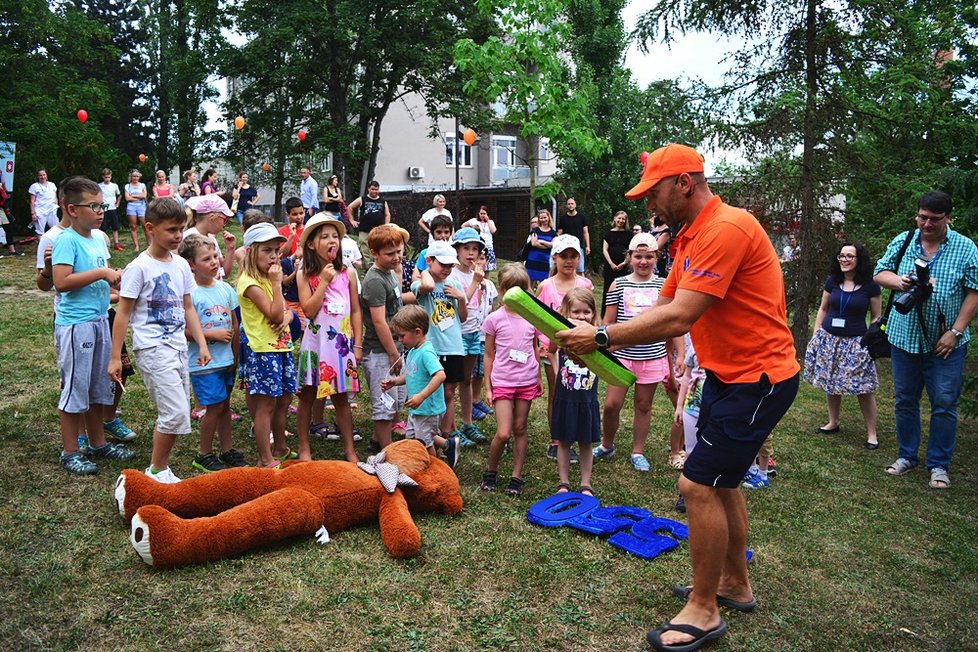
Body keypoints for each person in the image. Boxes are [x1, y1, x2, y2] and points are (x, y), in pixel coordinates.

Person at [557, 144, 799, 651]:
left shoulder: (725, 229)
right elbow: (663, 303)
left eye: (655, 192)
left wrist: (599, 340)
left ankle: (705, 609)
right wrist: (599, 338)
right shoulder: (688, 236)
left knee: (697, 485)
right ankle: (733, 583)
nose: (650, 204)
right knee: (723, 480)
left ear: (684, 183)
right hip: (726, 375)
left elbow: (681, 315)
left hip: (758, 378)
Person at [874, 190, 978, 489]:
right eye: (922, 217)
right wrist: (901, 281)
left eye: (934, 219)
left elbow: (974, 291)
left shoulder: (965, 247)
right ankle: (907, 455)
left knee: (944, 403)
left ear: (948, 218)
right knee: (905, 400)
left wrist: (955, 331)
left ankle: (939, 465)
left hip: (946, 343)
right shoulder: (905, 239)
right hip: (904, 337)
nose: (927, 224)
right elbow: (880, 272)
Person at [110, 197, 212, 483]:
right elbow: (123, 313)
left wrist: (201, 343)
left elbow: (188, 307)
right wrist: (115, 356)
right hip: (152, 349)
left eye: (181, 229)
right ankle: (155, 471)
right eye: (171, 230)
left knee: (178, 414)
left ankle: (161, 468)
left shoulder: (180, 265)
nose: (178, 236)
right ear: (150, 228)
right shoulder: (138, 267)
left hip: (178, 347)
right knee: (175, 412)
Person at [50, 177, 136, 474]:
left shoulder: (98, 238)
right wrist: (102, 272)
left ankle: (98, 445)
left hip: (101, 320)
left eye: (103, 205)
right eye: (94, 205)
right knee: (76, 389)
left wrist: (116, 282)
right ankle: (71, 451)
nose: (101, 211)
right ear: (72, 209)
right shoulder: (65, 240)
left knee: (100, 387)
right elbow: (61, 283)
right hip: (77, 326)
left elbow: (100, 282)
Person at [593, 232, 681, 472]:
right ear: (630, 257)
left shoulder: (664, 285)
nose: (643, 262)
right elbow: (609, 322)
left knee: (644, 405)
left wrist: (678, 354)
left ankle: (638, 450)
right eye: (638, 256)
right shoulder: (618, 284)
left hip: (651, 356)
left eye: (649, 257)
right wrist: (605, 346)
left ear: (657, 257)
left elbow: (671, 324)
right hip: (622, 356)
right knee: (612, 404)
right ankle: (607, 444)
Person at [295, 213, 362, 463]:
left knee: (341, 398)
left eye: (335, 236)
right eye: (324, 237)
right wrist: (323, 282)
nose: (332, 240)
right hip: (315, 345)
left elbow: (355, 310)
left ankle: (350, 450)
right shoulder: (305, 274)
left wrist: (357, 344)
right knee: (307, 396)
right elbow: (309, 311)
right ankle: (304, 447)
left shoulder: (349, 273)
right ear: (311, 244)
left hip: (341, 346)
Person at [803, 242, 882, 449]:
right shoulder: (832, 281)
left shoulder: (870, 285)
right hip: (830, 340)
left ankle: (872, 434)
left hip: (856, 342)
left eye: (849, 256)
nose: (844, 260)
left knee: (863, 387)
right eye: (841, 256)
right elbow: (823, 308)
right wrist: (816, 334)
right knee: (831, 381)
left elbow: (876, 317)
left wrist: (870, 340)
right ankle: (833, 422)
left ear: (859, 260)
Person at [178, 234, 246, 472]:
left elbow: (235, 325)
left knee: (225, 406)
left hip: (226, 360)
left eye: (215, 256)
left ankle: (227, 449)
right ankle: (204, 453)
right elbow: (182, 330)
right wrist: (210, 335)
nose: (215, 262)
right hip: (203, 362)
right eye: (206, 259)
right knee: (213, 408)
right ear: (191, 265)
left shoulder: (226, 289)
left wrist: (236, 358)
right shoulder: (190, 295)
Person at [480, 264, 542, 495]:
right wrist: (488, 387)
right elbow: (488, 355)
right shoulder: (494, 319)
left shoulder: (532, 318)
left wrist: (538, 377)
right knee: (504, 432)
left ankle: (516, 476)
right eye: (509, 290)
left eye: (520, 290)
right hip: (503, 382)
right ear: (501, 290)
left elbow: (535, 349)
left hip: (526, 381)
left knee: (520, 427)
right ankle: (491, 471)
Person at [236, 223, 295, 468]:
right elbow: (275, 314)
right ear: (251, 252)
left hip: (281, 347)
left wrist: (290, 316)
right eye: (267, 250)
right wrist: (277, 283)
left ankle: (280, 446)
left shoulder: (267, 278)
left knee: (283, 400)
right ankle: (265, 457)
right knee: (266, 405)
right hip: (263, 350)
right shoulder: (249, 283)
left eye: (277, 251)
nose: (274, 256)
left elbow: (286, 311)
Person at [381, 305, 460, 467]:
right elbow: (412, 375)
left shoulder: (426, 352)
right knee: (413, 438)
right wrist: (394, 382)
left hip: (427, 407)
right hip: (417, 407)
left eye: (402, 336)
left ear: (417, 332)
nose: (400, 340)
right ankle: (448, 445)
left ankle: (436, 471)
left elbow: (440, 375)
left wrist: (421, 396)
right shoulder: (413, 350)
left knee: (423, 442)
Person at [536, 234, 592, 461]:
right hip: (554, 350)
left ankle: (578, 437)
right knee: (557, 392)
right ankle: (556, 438)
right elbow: (538, 317)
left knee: (581, 393)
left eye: (573, 256)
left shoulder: (585, 284)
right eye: (563, 256)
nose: (568, 261)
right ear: (554, 258)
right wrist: (542, 342)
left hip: (582, 350)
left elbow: (592, 315)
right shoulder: (546, 286)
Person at [411, 241, 469, 447]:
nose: (447, 269)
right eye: (443, 264)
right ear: (429, 260)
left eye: (451, 265)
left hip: (453, 346)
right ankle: (430, 433)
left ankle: (445, 435)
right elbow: (426, 286)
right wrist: (425, 269)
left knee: (449, 392)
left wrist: (461, 298)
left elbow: (462, 317)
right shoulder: (420, 283)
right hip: (432, 347)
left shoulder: (454, 284)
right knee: (430, 390)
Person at [360, 224, 409, 451]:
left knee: (396, 399)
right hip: (380, 351)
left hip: (395, 348)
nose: (397, 257)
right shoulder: (375, 280)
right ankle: (387, 453)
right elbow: (379, 321)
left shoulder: (389, 273)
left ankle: (377, 440)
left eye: (399, 251)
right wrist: (392, 353)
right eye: (390, 254)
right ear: (374, 253)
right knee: (383, 405)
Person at [550, 288, 600, 497]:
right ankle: (564, 482)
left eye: (586, 312)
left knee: (586, 443)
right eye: (575, 312)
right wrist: (556, 371)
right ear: (566, 313)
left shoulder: (597, 338)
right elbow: (550, 351)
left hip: (587, 400)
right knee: (564, 441)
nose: (581, 317)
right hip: (565, 399)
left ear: (593, 314)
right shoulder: (564, 338)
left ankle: (585, 483)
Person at [447, 227, 488, 446]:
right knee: (452, 383)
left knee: (468, 379)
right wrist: (475, 284)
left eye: (475, 249)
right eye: (466, 248)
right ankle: (451, 428)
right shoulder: (451, 274)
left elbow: (478, 306)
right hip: (457, 334)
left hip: (473, 332)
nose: (471, 253)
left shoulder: (476, 274)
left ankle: (468, 422)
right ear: (456, 250)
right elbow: (461, 307)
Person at [469, 248, 498, 421]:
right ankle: (470, 402)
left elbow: (491, 308)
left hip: (485, 335)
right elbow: (474, 304)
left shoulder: (490, 285)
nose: (479, 262)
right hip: (473, 332)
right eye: (476, 259)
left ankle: (476, 399)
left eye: (482, 259)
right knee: (472, 372)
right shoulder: (470, 283)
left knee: (481, 370)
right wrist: (477, 285)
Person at [183, 194, 237, 279]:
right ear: (212, 217)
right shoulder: (188, 238)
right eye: (225, 219)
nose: (224, 224)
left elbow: (224, 273)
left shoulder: (211, 239)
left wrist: (230, 249)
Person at [347, 179, 391, 267]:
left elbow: (387, 214)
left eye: (376, 189)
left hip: (379, 229)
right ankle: (368, 266)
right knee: (364, 246)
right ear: (368, 189)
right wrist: (352, 220)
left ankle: (377, 264)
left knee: (378, 246)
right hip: (364, 229)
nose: (374, 191)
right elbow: (350, 207)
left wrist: (387, 225)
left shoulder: (382, 201)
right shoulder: (362, 199)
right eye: (372, 189)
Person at [602, 210, 632, 312]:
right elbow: (605, 250)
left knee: (623, 288)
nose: (621, 220)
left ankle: (622, 310)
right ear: (615, 219)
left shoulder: (628, 234)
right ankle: (607, 312)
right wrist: (611, 263)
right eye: (619, 218)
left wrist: (624, 263)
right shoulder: (608, 234)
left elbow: (630, 250)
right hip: (610, 266)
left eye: (623, 219)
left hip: (623, 266)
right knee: (609, 288)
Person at [413, 215, 454, 280]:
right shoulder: (425, 253)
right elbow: (416, 277)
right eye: (439, 232)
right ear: (432, 233)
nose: (443, 235)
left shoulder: (453, 253)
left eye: (446, 232)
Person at [557, 197, 590, 273]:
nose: (570, 205)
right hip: (565, 247)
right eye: (569, 204)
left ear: (575, 205)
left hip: (579, 247)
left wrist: (588, 246)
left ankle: (582, 285)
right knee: (567, 269)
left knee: (580, 270)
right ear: (567, 206)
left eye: (572, 204)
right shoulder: (563, 218)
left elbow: (585, 232)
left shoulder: (581, 217)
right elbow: (560, 233)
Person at [525, 208, 556, 283]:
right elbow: (533, 243)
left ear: (548, 217)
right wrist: (547, 245)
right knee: (529, 282)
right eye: (541, 218)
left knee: (544, 283)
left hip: (545, 261)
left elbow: (553, 245)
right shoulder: (535, 230)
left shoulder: (553, 233)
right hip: (533, 259)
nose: (543, 219)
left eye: (545, 217)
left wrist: (541, 241)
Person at [462, 205, 497, 270]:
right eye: (481, 213)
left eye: (484, 214)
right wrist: (470, 231)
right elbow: (463, 226)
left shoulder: (490, 222)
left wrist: (488, 220)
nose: (482, 215)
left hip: (488, 246)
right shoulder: (474, 220)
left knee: (487, 268)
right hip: (479, 245)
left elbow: (493, 230)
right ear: (478, 213)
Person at [99, 169, 123, 251]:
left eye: (109, 177)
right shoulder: (99, 186)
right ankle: (103, 244)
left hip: (112, 208)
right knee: (103, 227)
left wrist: (117, 203)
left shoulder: (114, 186)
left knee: (115, 226)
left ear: (111, 177)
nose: (107, 179)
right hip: (104, 208)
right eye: (105, 177)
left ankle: (116, 243)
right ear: (103, 177)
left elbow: (119, 195)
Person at [29, 169, 59, 236]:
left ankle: (55, 245)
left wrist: (55, 206)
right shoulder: (34, 186)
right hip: (40, 211)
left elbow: (55, 197)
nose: (42, 177)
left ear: (46, 175)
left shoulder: (52, 185)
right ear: (38, 176)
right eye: (40, 175)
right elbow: (32, 201)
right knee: (40, 231)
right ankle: (41, 246)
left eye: (44, 175)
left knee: (56, 229)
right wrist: (33, 213)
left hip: (51, 210)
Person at [124, 170, 147, 250]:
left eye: (137, 176)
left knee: (145, 225)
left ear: (139, 177)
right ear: (131, 177)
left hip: (141, 206)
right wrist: (138, 196)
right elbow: (127, 198)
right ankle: (136, 245)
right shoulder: (127, 186)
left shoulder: (142, 185)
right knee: (133, 226)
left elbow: (144, 196)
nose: (135, 178)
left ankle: (150, 244)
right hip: (131, 207)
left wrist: (133, 196)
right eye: (134, 176)